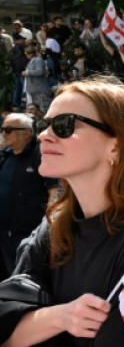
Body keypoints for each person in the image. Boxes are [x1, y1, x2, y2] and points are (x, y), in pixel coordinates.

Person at [0, 79, 124, 346]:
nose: (43, 135)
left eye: (64, 124)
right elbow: (6, 329)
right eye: (43, 124)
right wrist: (62, 317)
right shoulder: (52, 228)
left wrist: (38, 322)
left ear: (116, 146)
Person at [0, 113, 55, 279]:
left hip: (27, 235)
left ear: (26, 133)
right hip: (4, 233)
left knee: (22, 280)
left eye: (8, 130)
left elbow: (54, 191)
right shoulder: (7, 155)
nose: (3, 133)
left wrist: (49, 228)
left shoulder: (40, 154)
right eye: (2, 129)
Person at [23, 46, 49, 113]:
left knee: (43, 109)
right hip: (34, 90)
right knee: (37, 110)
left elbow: (40, 72)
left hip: (39, 89)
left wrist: (28, 72)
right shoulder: (32, 61)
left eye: (26, 54)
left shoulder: (38, 60)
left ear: (30, 53)